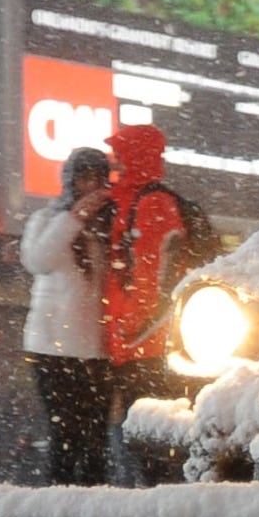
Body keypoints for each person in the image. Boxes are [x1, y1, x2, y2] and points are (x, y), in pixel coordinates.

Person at [91, 123, 191, 483]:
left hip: (146, 348)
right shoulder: (133, 201)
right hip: (135, 346)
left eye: (120, 157)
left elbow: (153, 277)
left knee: (140, 443)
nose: (114, 166)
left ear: (136, 157)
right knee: (132, 440)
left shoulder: (152, 203)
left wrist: (127, 330)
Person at [21, 147, 113, 485]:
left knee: (96, 443)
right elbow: (38, 260)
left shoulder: (106, 230)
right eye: (84, 177)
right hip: (52, 349)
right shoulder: (46, 220)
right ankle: (58, 515)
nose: (91, 186)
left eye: (98, 179)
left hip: (95, 351)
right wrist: (74, 218)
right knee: (65, 437)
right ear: (70, 182)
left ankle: (95, 516)